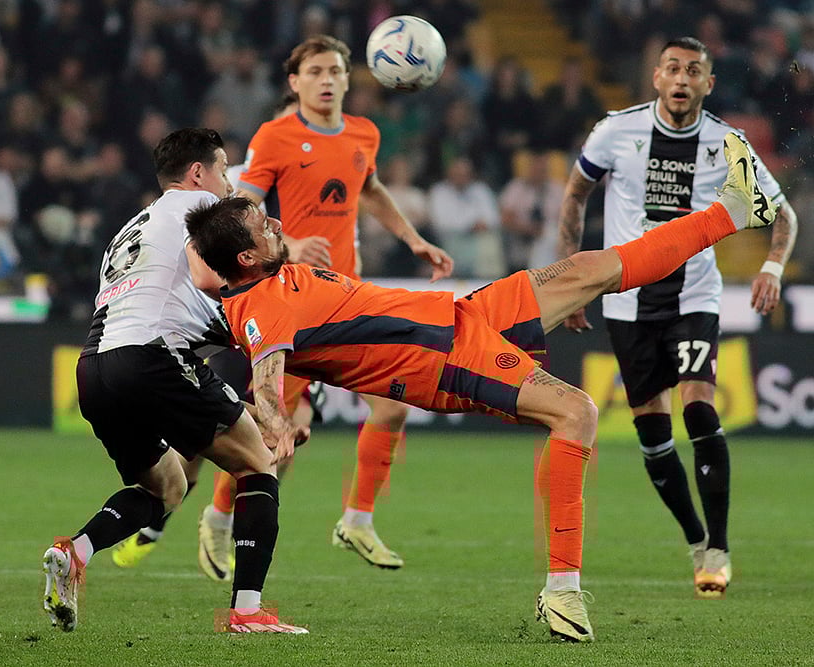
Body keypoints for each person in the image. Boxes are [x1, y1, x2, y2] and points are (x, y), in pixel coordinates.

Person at [185, 132, 778, 642]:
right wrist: (276, 426)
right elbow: (265, 372)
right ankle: (564, 590)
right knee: (576, 412)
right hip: (440, 357)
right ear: (246, 258)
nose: (277, 222)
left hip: (456, 314)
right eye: (264, 225)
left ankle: (732, 209)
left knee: (590, 268)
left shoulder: (274, 271)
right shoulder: (259, 304)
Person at [556, 37, 798, 599]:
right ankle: (695, 540)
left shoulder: (728, 142)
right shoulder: (617, 131)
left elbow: (782, 215)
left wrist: (772, 267)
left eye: (693, 70)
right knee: (652, 433)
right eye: (672, 68)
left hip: (694, 296)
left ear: (708, 84)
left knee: (698, 409)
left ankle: (718, 545)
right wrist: (573, 279)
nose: (682, 78)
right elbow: (574, 197)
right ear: (657, 79)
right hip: (626, 300)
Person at [41, 127, 308, 635]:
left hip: (96, 366)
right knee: (258, 462)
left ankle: (75, 552)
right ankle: (247, 613)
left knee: (167, 486)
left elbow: (174, 303)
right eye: (224, 169)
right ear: (198, 173)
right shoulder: (203, 212)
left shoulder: (131, 227)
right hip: (152, 356)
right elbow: (213, 289)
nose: (229, 183)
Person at [229, 34, 453, 571]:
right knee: (271, 426)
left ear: (350, 78)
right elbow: (240, 211)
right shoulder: (276, 136)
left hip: (347, 295)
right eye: (315, 72)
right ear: (295, 82)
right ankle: (219, 522)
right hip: (292, 301)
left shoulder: (363, 133)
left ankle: (357, 520)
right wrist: (283, 245)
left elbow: (369, 190)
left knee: (395, 404)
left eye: (335, 71)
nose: (327, 80)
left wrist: (413, 239)